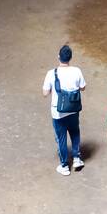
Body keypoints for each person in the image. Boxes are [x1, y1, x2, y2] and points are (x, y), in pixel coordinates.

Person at [42, 45, 86, 175]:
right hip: (73, 109)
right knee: (75, 133)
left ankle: (64, 166)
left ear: (58, 57)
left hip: (58, 112)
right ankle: (77, 158)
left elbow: (45, 93)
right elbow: (83, 87)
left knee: (61, 138)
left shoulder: (52, 73)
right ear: (70, 58)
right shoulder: (77, 71)